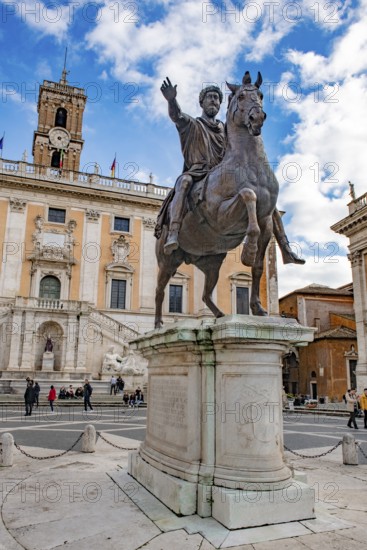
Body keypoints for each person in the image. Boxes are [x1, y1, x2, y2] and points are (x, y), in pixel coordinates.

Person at [156, 77, 304, 265]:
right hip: (198, 172)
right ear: (202, 102)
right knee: (183, 182)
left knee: (266, 197)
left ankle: (286, 247)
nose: (213, 101)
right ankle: (174, 232)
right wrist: (171, 100)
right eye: (209, 97)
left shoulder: (226, 130)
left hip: (224, 175)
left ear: (220, 105)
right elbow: (177, 116)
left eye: (216, 98)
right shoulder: (193, 124)